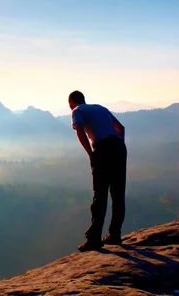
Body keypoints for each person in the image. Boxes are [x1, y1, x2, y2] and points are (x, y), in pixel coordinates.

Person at [68, 90, 127, 251]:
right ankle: (115, 234)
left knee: (100, 194)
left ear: (71, 103)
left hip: (102, 149)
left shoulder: (77, 111)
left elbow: (79, 130)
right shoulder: (100, 108)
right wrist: (118, 145)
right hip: (119, 148)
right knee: (118, 192)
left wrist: (91, 154)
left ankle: (94, 239)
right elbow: (120, 128)